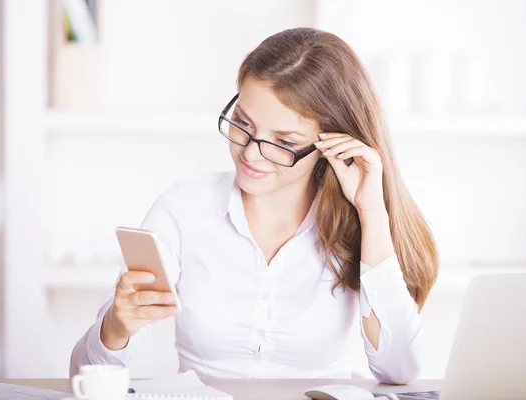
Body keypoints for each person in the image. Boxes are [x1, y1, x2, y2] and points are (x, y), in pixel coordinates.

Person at [70, 27, 438, 383]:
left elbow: (399, 370)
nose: (250, 153)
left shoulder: (355, 223)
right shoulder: (183, 209)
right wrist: (116, 327)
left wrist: (371, 211)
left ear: (331, 145)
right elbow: (82, 376)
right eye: (243, 124)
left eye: (282, 141)